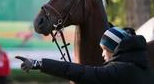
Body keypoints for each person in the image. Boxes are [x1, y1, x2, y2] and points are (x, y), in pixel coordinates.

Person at [15, 27, 154, 84]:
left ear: (114, 48)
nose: (102, 54)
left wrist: (38, 64)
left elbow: (81, 72)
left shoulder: (119, 70)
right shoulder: (142, 66)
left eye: (104, 49)